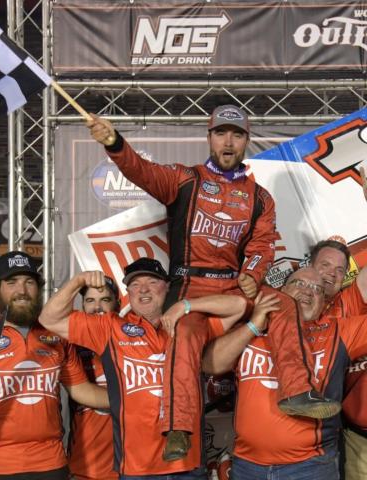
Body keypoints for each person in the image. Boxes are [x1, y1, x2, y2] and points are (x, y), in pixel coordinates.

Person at [86, 105, 339, 458]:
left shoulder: (260, 197)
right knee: (185, 335)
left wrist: (252, 274)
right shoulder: (184, 178)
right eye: (221, 133)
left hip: (233, 284)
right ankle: (178, 428)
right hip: (191, 283)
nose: (229, 141)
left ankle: (297, 392)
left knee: (283, 303)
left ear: (246, 141)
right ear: (210, 138)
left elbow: (262, 244)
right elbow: (142, 171)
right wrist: (114, 144)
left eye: (237, 134)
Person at [39, 257, 247, 479]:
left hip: (188, 466)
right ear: (128, 292)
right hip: (138, 469)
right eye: (135, 285)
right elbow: (49, 318)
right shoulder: (110, 328)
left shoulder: (191, 326)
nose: (143, 290)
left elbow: (239, 306)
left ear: (167, 286)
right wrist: (77, 281)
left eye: (152, 282)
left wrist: (186, 305)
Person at [0, 251, 109, 480]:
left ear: (39, 288)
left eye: (29, 282)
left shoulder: (57, 336)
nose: (22, 291)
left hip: (50, 462)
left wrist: (134, 399)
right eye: (12, 283)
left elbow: (81, 390)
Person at [202, 267, 367, 479]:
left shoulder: (338, 331)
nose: (308, 291)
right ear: (281, 291)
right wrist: (254, 325)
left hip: (310, 467)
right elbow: (210, 364)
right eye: (299, 284)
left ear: (323, 302)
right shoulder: (252, 327)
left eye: (317, 289)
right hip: (247, 465)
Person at [308, 237, 367, 480]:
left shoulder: (347, 302)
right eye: (325, 265)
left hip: (337, 431)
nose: (331, 274)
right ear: (309, 265)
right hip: (295, 434)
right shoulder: (283, 307)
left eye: (339, 269)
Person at [68, 276, 120, 480]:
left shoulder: (134, 345)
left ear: (117, 304)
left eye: (105, 300)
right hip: (85, 469)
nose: (96, 307)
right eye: (90, 301)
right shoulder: (71, 347)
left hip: (132, 469)